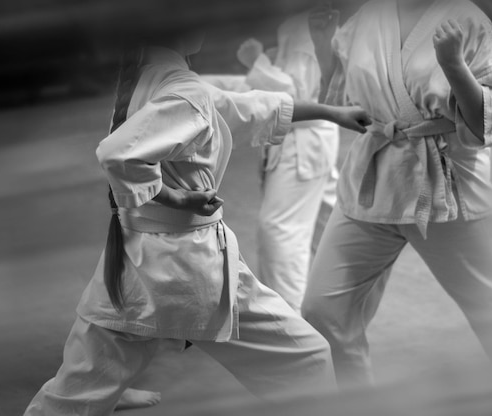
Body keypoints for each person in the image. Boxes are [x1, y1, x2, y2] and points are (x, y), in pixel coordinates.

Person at [24, 20, 372, 415]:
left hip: (134, 259)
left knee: (76, 388)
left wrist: (330, 111)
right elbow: (116, 153)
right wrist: (177, 198)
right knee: (308, 358)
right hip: (188, 265)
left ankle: (108, 385)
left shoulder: (148, 77)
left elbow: (245, 106)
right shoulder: (184, 91)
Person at [303, 0, 492, 389]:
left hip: (445, 185)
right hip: (372, 180)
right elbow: (344, 95)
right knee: (324, 309)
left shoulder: (467, 20)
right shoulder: (369, 15)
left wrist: (453, 65)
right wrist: (323, 43)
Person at [234, 11, 340, 312]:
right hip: (311, 138)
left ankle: (290, 319)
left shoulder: (307, 23)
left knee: (281, 232)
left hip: (302, 140)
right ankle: (325, 309)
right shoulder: (298, 21)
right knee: (325, 224)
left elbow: (295, 94)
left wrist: (257, 61)